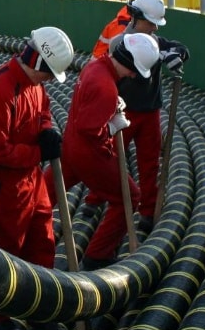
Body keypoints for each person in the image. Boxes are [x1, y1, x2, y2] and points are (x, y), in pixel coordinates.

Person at [0, 26, 75, 330]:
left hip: (31, 181)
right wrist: (37, 153)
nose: (50, 81)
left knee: (42, 243)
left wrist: (46, 130)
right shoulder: (0, 91)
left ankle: (40, 310)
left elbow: (43, 111)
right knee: (4, 251)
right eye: (50, 74)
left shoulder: (34, 85)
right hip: (4, 186)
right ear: (40, 63)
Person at [57, 32, 160, 271]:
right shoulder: (106, 87)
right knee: (129, 196)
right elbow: (90, 130)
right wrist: (111, 127)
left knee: (45, 192)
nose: (133, 75)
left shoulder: (94, 68)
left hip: (70, 145)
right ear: (128, 61)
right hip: (89, 154)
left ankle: (19, 225)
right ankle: (98, 255)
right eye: (134, 70)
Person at [104, 0, 190, 233]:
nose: (154, 28)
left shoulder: (157, 40)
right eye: (151, 23)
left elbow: (181, 48)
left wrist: (176, 54)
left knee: (149, 163)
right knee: (110, 158)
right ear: (136, 17)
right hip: (124, 112)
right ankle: (97, 200)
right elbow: (129, 53)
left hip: (150, 112)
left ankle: (148, 211)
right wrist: (160, 54)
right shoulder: (119, 43)